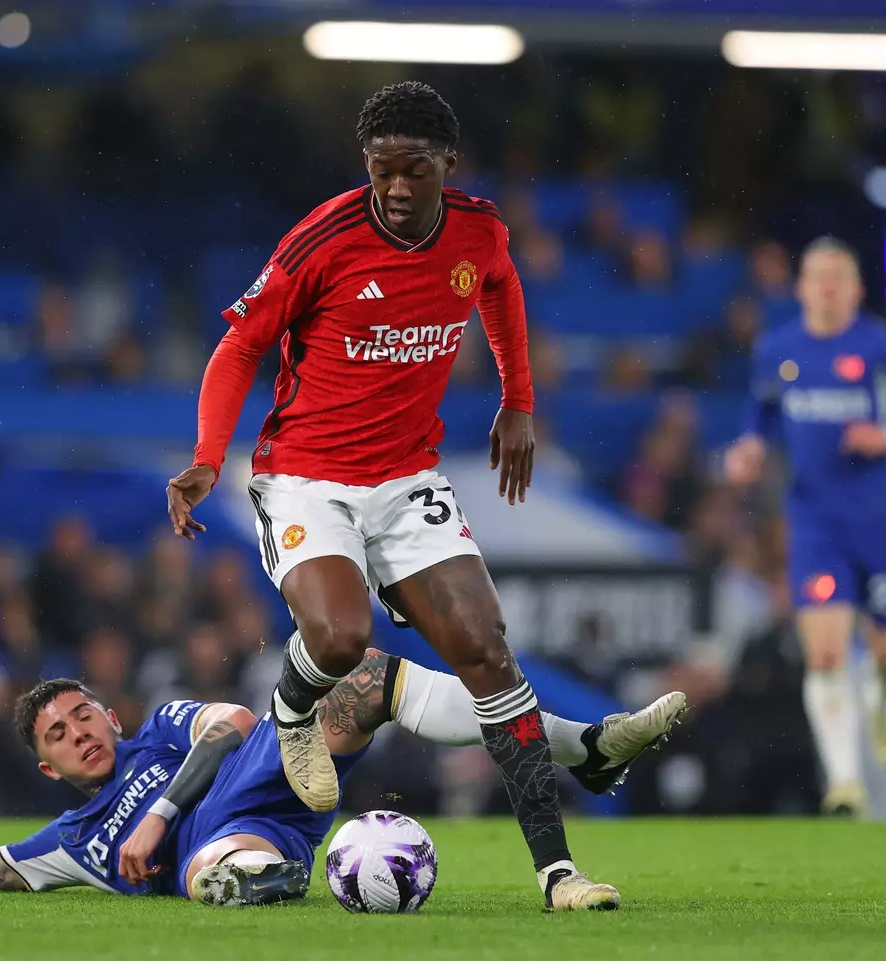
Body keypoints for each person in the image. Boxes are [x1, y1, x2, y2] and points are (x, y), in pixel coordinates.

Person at [165, 81, 596, 911]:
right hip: (306, 476)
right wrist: (207, 459)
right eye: (380, 169)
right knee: (338, 634)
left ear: (447, 165)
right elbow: (238, 347)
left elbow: (500, 289)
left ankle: (558, 873)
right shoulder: (320, 240)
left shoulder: (480, 230)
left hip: (405, 479)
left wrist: (518, 402)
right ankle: (292, 714)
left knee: (487, 650)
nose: (396, 187)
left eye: (414, 170)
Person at [0, 651, 687, 905]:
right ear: (46, 766)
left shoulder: (158, 730)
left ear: (110, 715)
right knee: (222, 862)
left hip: (268, 772)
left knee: (367, 674)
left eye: (86, 711)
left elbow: (238, 722)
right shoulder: (66, 847)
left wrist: (157, 811)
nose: (82, 728)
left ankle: (589, 744)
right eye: (60, 731)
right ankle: (259, 879)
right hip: (228, 839)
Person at [723, 238, 886, 817]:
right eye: (817, 277)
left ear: (856, 289)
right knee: (825, 655)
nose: (827, 287)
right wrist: (749, 447)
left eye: (839, 277)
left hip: (877, 520)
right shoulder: (777, 350)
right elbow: (761, 412)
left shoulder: (885, 347)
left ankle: (885, 702)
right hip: (813, 521)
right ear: (801, 288)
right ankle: (846, 782)